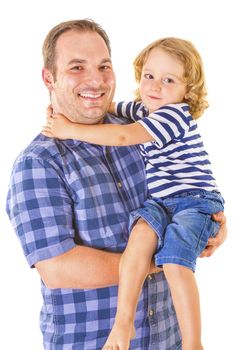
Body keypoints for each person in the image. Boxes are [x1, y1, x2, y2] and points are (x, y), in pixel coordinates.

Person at [6, 21, 226, 350]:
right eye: (77, 67)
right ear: (49, 78)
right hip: (93, 341)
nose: (95, 80)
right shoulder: (39, 163)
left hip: (168, 339)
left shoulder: (140, 128)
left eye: (103, 66)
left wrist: (211, 226)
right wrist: (172, 256)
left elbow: (186, 184)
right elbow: (58, 268)